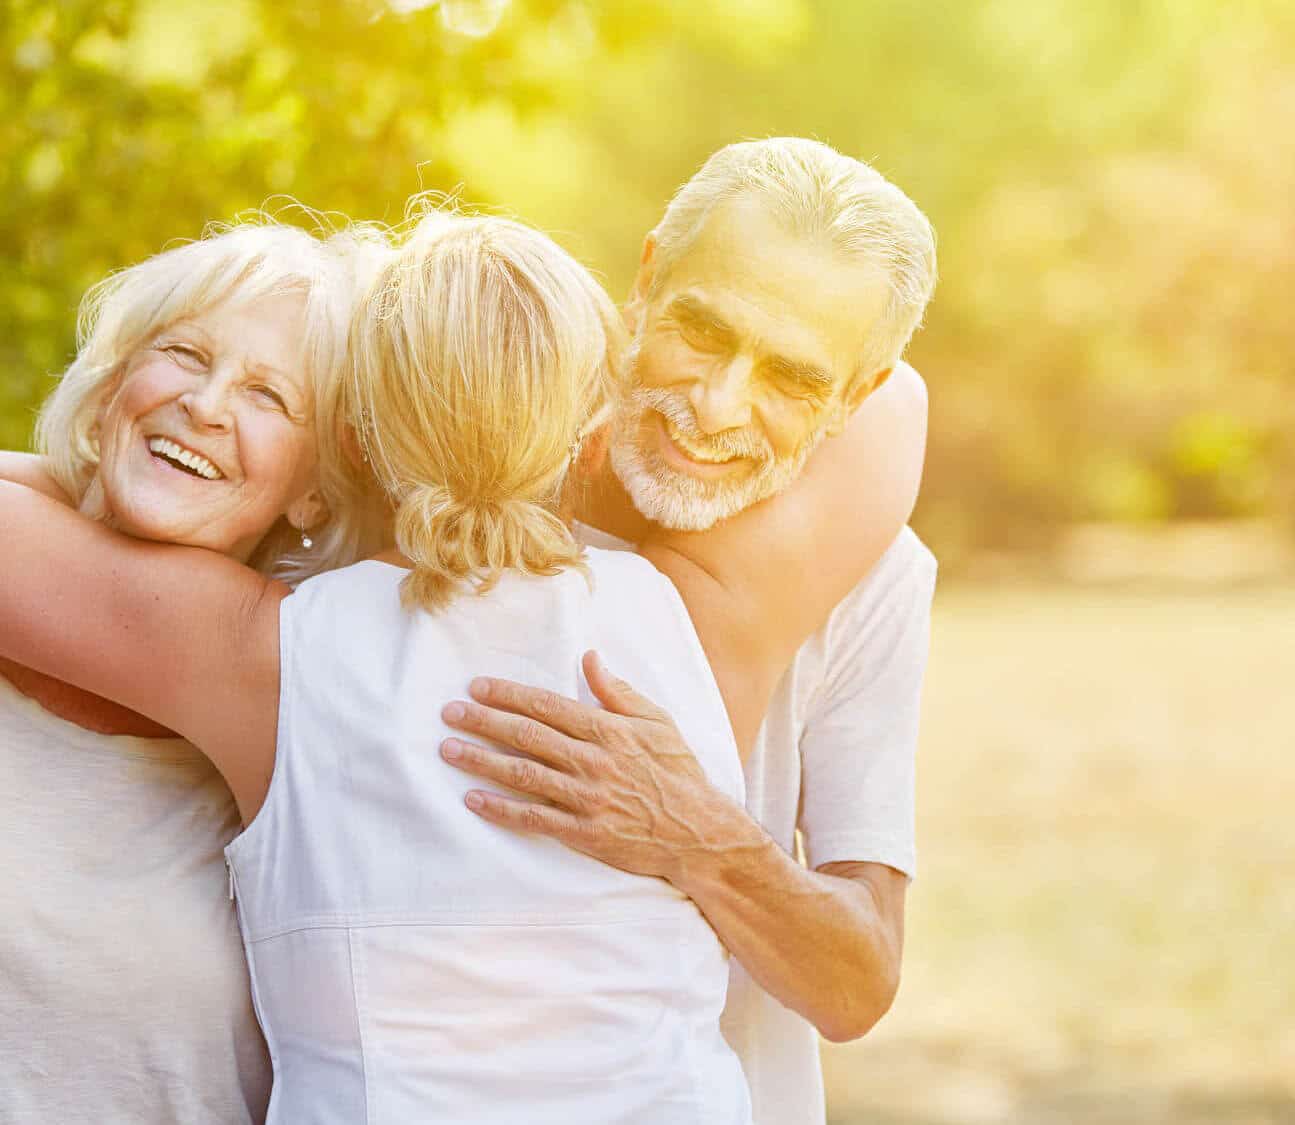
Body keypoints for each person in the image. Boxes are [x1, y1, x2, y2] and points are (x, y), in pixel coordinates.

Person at [0, 208, 912, 1122]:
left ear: (350, 444)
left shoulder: (263, 653)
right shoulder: (692, 620)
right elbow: (898, 397)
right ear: (588, 431)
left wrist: (84, 466)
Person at [437, 137, 939, 1125]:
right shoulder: (469, 467)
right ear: (648, 272)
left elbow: (856, 981)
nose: (713, 408)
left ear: (860, 394)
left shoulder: (877, 574)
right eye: (702, 331)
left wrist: (701, 841)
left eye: (790, 380)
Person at [0, 217, 380, 1122]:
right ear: (113, 382)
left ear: (315, 489)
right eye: (183, 353)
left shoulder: (302, 692)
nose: (206, 405)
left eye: (268, 396)